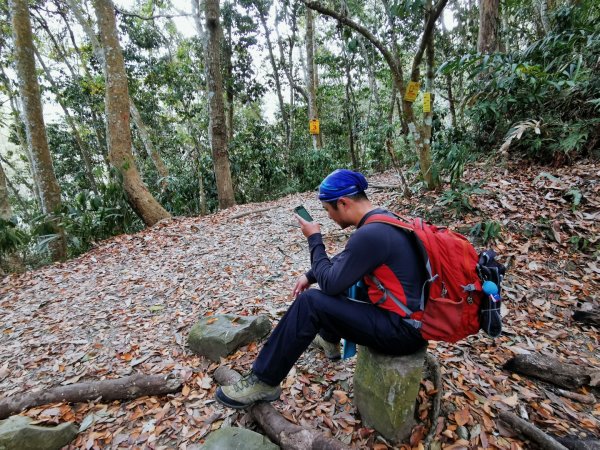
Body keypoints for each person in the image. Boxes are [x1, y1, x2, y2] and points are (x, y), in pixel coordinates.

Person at [215, 169, 428, 409]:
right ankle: (329, 340)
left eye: (328, 210)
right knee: (340, 282)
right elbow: (349, 260)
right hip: (410, 321)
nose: (328, 217)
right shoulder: (383, 220)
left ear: (343, 203)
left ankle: (263, 381)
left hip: (402, 332)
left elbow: (330, 282)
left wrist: (314, 239)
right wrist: (310, 275)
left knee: (311, 302)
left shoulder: (371, 234)